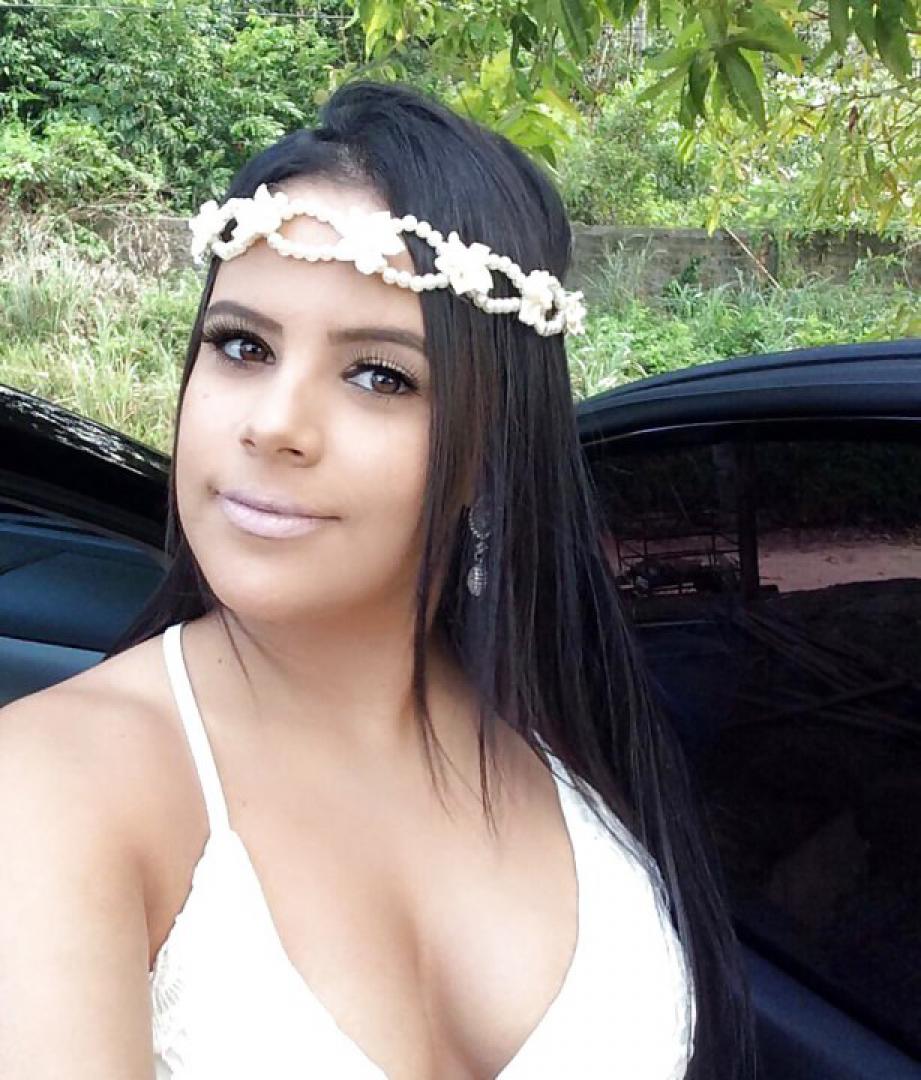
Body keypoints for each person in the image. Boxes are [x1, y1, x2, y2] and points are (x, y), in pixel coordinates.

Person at [0, 81, 755, 1078]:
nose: (275, 423)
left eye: (378, 375)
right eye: (241, 346)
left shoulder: (570, 733)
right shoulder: (53, 789)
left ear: (490, 448)